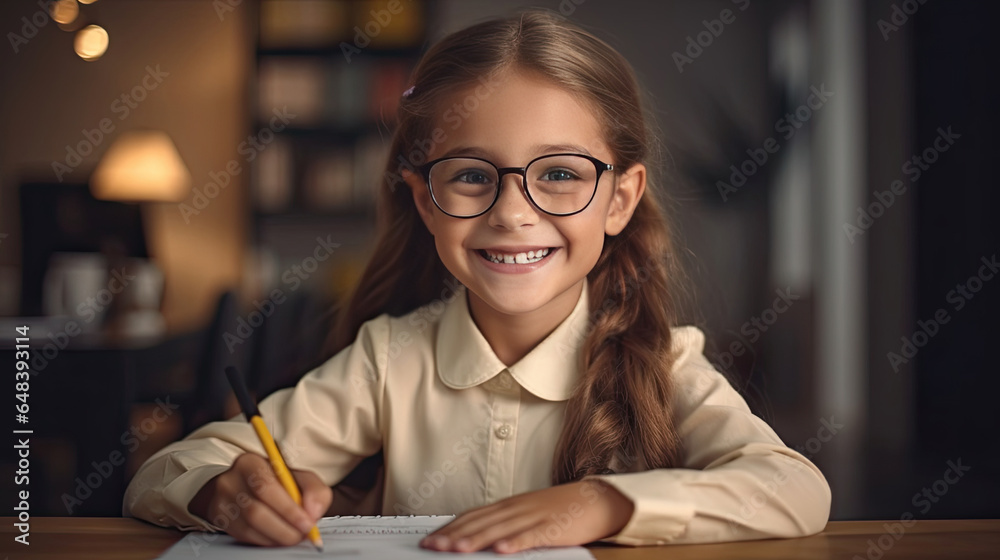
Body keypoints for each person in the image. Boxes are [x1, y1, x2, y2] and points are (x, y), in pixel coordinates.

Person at [123, 10, 831, 554]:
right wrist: (223, 491)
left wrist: (604, 503)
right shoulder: (387, 361)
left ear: (619, 199)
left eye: (559, 174)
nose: (513, 213)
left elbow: (797, 491)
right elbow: (166, 472)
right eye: (470, 175)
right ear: (425, 199)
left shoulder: (665, 362)